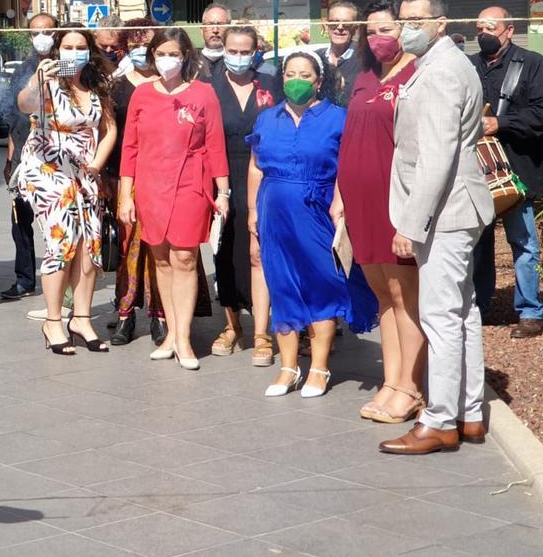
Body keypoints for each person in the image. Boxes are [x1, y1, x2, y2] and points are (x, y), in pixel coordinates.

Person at [380, 0, 495, 455]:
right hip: (455, 207)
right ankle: (468, 414)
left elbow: (437, 157)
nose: (408, 27)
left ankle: (441, 421)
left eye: (417, 20)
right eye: (403, 19)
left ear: (441, 23)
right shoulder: (438, 65)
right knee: (462, 311)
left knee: (441, 316)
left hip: (446, 210)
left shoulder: (443, 72)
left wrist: (411, 223)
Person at [248, 49, 378, 399]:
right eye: (290, 74)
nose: (296, 81)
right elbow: (256, 167)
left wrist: (341, 202)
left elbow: (347, 167)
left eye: (305, 75)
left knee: (322, 286)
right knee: (282, 287)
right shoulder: (267, 119)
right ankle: (288, 368)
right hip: (274, 212)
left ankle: (318, 368)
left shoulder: (338, 119)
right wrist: (252, 213)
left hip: (318, 210)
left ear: (318, 82)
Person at [335, 0, 425, 424]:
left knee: (406, 296)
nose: (377, 38)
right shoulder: (364, 76)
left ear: (403, 29)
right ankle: (391, 382)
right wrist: (340, 195)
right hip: (360, 204)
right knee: (383, 298)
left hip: (397, 203)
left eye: (385, 29)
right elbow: (350, 138)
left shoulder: (416, 74)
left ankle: (411, 386)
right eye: (370, 32)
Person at [118, 28, 227, 369]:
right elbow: (130, 148)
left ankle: (183, 337)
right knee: (161, 260)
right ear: (152, 56)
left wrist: (222, 192)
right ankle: (170, 333)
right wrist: (126, 195)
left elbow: (215, 145)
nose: (167, 60)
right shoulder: (142, 95)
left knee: (185, 259)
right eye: (161, 54)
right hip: (150, 187)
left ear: (185, 57)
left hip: (190, 184)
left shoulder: (203, 94)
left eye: (173, 54)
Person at [16, 28, 117, 354]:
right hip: (47, 172)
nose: (74, 53)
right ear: (58, 50)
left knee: (90, 247)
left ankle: (82, 318)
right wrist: (37, 80)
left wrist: (96, 166)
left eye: (80, 47)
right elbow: (24, 105)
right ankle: (54, 321)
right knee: (63, 241)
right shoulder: (47, 80)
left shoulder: (97, 85)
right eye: (67, 47)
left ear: (89, 51)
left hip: (83, 173)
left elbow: (109, 130)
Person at [471, 7, 543, 339]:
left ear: (509, 30)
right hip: (477, 169)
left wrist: (500, 123)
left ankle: (531, 311)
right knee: (478, 244)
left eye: (490, 27)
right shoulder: (471, 65)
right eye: (479, 27)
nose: (484, 33)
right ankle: (478, 306)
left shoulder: (531, 63)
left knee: (523, 242)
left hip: (517, 170)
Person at [209, 25, 281, 366]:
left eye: (245, 51)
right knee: (225, 253)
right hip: (220, 178)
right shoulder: (209, 85)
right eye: (232, 51)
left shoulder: (270, 84)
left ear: (256, 52)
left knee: (259, 253)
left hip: (263, 177)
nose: (239, 57)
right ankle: (232, 324)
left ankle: (262, 331)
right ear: (223, 49)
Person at [105, 18, 164, 346]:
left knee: (159, 247)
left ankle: (160, 315)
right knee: (128, 246)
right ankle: (125, 314)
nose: (143, 50)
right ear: (127, 46)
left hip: (162, 176)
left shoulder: (171, 83)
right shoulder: (116, 85)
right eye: (136, 43)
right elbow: (109, 133)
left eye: (149, 44)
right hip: (123, 177)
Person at [1, 13, 59, 301]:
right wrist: (11, 158)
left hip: (58, 158)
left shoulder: (66, 65)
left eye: (47, 31)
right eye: (36, 32)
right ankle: (25, 279)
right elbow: (15, 117)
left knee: (57, 222)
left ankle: (61, 280)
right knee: (20, 220)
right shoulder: (21, 69)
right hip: (25, 156)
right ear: (29, 36)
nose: (42, 37)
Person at [316, 1, 362, 107]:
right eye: (334, 22)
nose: (340, 27)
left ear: (355, 28)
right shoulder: (315, 59)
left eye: (346, 24)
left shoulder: (366, 59)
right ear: (325, 25)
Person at [197, 3, 230, 78]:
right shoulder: (192, 62)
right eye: (210, 24)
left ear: (229, 29)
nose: (215, 30)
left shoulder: (236, 63)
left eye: (221, 25)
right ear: (201, 30)